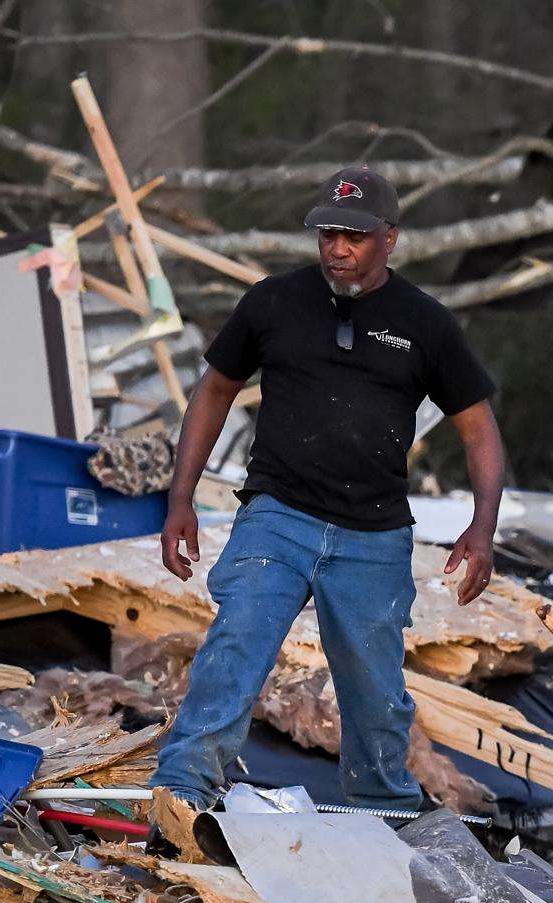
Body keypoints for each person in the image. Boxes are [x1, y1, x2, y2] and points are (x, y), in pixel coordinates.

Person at [148, 165, 506, 818]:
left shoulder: (424, 323)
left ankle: (385, 815)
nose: (338, 248)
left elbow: (478, 429)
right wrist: (180, 500)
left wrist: (482, 527)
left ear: (389, 238)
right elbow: (215, 390)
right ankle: (181, 798)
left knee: (374, 695)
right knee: (235, 647)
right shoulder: (273, 303)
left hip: (374, 536)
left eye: (355, 237)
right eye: (328, 234)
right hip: (277, 516)